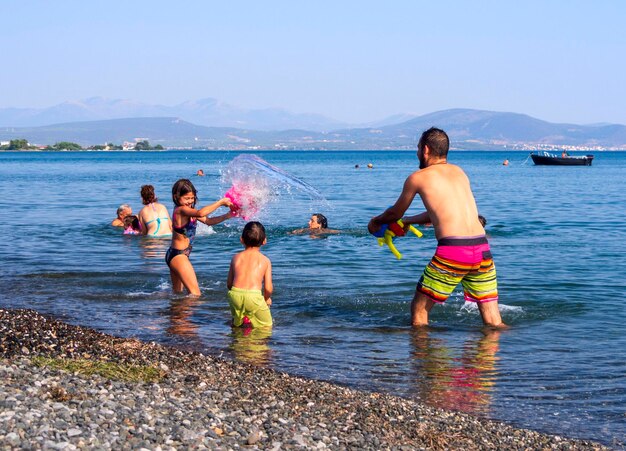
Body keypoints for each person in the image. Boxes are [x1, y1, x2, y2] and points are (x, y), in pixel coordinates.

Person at [368, 127, 504, 328]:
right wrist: (407, 222)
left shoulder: (418, 177)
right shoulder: (459, 172)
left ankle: (426, 359)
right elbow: (441, 212)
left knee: (419, 309)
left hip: (454, 251)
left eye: (417, 149)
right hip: (482, 250)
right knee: (493, 318)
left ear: (425, 150)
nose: (416, 154)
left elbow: (394, 213)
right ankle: (505, 355)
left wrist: (375, 222)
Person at [166, 179, 233, 296]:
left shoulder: (190, 211)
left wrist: (228, 215)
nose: (190, 201)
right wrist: (220, 202)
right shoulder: (180, 210)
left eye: (192, 198)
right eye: (186, 198)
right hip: (179, 256)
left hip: (175, 254)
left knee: (177, 295)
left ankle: (176, 314)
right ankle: (191, 313)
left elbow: (209, 221)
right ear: (176, 196)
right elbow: (201, 213)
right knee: (195, 294)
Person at [227, 222, 273, 328]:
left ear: (241, 239)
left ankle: (238, 342)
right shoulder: (265, 260)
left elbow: (229, 283)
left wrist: (238, 296)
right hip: (254, 297)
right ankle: (258, 344)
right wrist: (266, 299)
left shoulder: (236, 257)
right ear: (264, 241)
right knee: (266, 326)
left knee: (237, 325)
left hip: (235, 294)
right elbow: (268, 288)